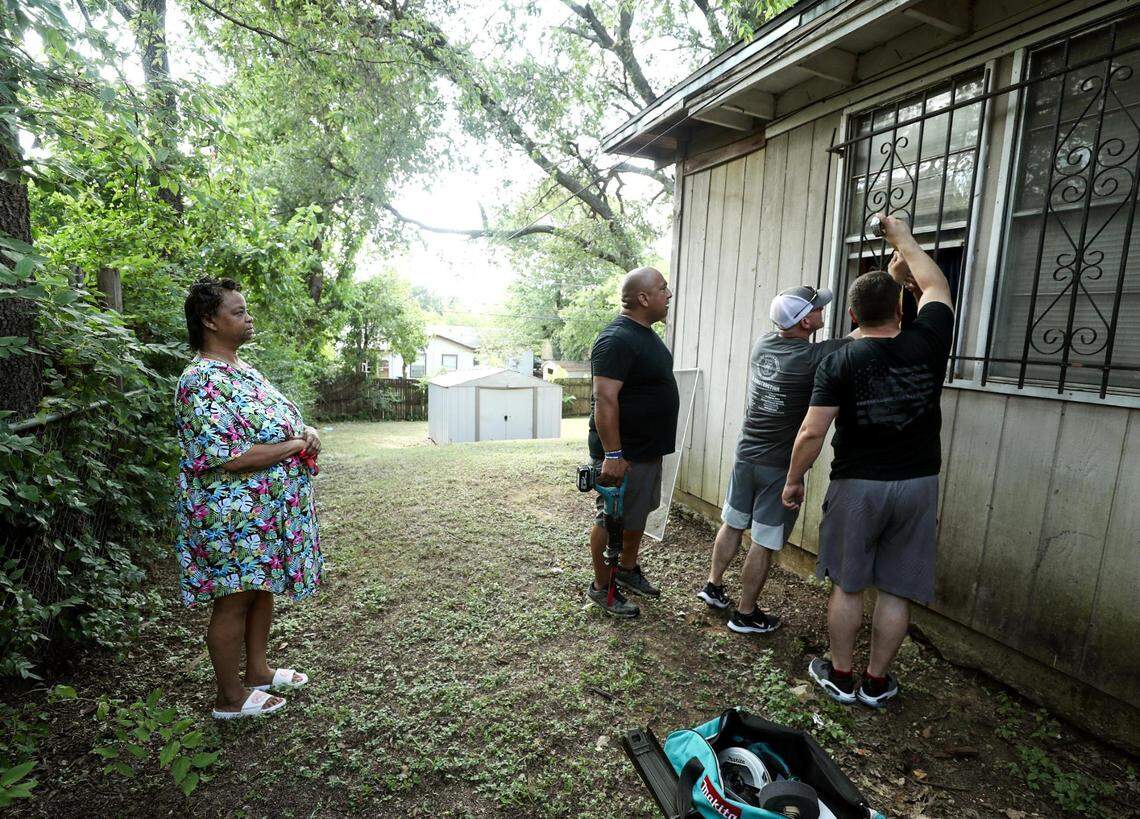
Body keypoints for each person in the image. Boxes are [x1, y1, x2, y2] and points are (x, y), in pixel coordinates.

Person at [782, 214, 953, 708]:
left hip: (858, 486)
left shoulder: (840, 359)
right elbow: (936, 284)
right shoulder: (928, 341)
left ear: (852, 317)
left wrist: (794, 481)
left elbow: (813, 430)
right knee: (895, 590)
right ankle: (877, 682)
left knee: (850, 584)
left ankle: (840, 674)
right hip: (918, 483)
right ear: (902, 309)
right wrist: (903, 240)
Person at [175, 277, 323, 719]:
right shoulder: (199, 380)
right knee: (234, 597)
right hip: (231, 514)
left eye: (246, 310)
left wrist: (306, 432)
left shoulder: (242, 370)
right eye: (238, 312)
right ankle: (230, 698)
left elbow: (281, 423)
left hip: (264, 512)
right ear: (209, 321)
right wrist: (296, 446)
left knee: (260, 589)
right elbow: (228, 456)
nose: (247, 317)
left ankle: (258, 670)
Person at [697, 286, 855, 634]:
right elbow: (866, 334)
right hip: (777, 465)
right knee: (764, 542)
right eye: (817, 308)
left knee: (733, 522)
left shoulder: (763, 345)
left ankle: (713, 586)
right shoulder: (813, 358)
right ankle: (745, 613)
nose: (821, 312)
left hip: (745, 453)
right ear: (805, 321)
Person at [586, 267, 679, 617]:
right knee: (611, 519)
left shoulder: (645, 335)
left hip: (645, 450)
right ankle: (601, 587)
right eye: (662, 288)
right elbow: (604, 399)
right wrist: (613, 454)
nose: (668, 294)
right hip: (623, 454)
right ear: (643, 298)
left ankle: (625, 569)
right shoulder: (616, 339)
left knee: (637, 514)